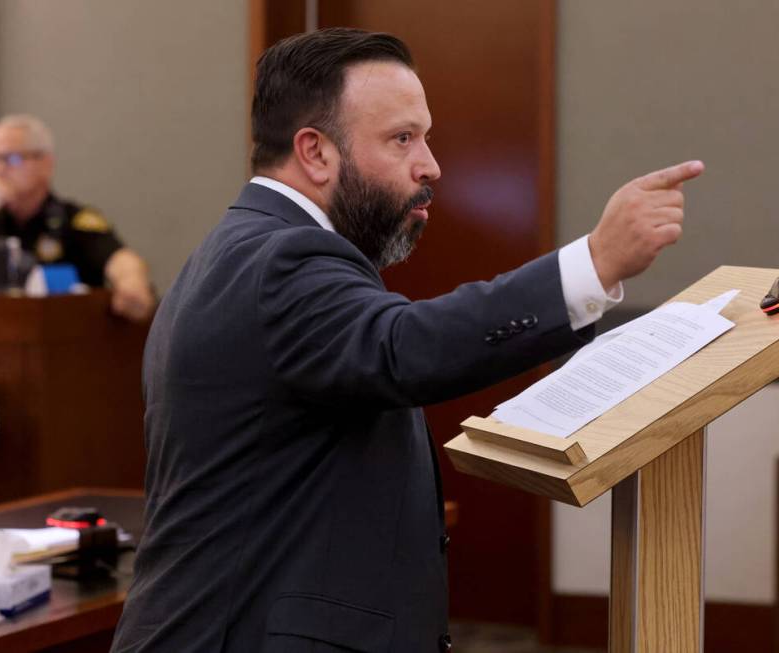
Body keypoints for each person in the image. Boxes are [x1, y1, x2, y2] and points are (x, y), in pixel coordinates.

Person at [111, 28, 703, 652]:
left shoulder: (242, 248)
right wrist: (595, 261)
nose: (431, 165)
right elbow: (402, 346)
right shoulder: (283, 258)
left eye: (425, 136)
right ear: (315, 152)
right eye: (402, 139)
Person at [0, 114, 156, 322]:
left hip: (66, 337)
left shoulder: (73, 220)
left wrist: (131, 280)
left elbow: (119, 259)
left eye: (12, 159)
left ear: (45, 164)